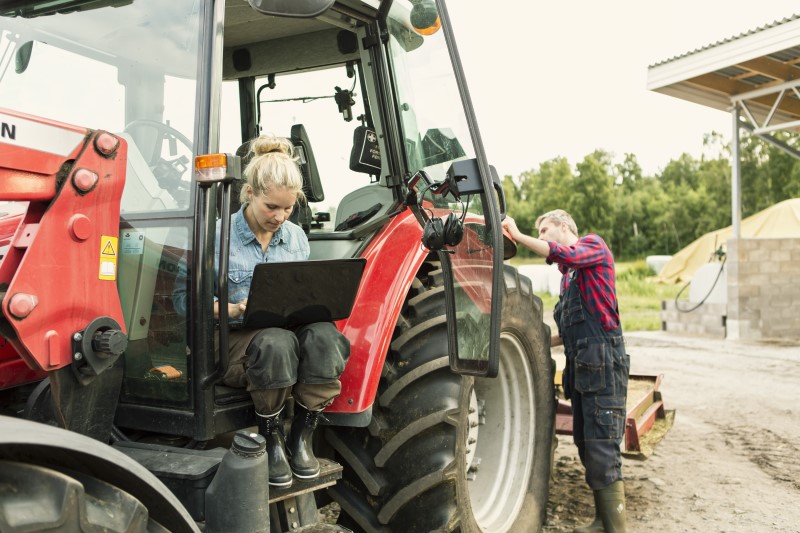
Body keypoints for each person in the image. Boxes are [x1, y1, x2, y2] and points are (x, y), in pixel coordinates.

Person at [174, 134, 350, 488]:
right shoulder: (215, 238)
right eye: (271, 207)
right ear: (250, 193)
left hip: (285, 332)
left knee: (326, 338)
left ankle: (300, 436)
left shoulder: (296, 236)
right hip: (233, 341)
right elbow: (183, 301)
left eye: (287, 209)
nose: (279, 217)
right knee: (276, 342)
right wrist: (233, 307)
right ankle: (271, 437)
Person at [502, 210, 629, 533]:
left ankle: (616, 527)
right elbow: (569, 331)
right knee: (587, 446)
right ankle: (602, 521)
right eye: (539, 231)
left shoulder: (593, 248)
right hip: (584, 370)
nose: (543, 235)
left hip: (603, 367)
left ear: (564, 226)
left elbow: (563, 253)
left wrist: (517, 236)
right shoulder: (568, 278)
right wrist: (534, 339)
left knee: (603, 445)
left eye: (545, 229)